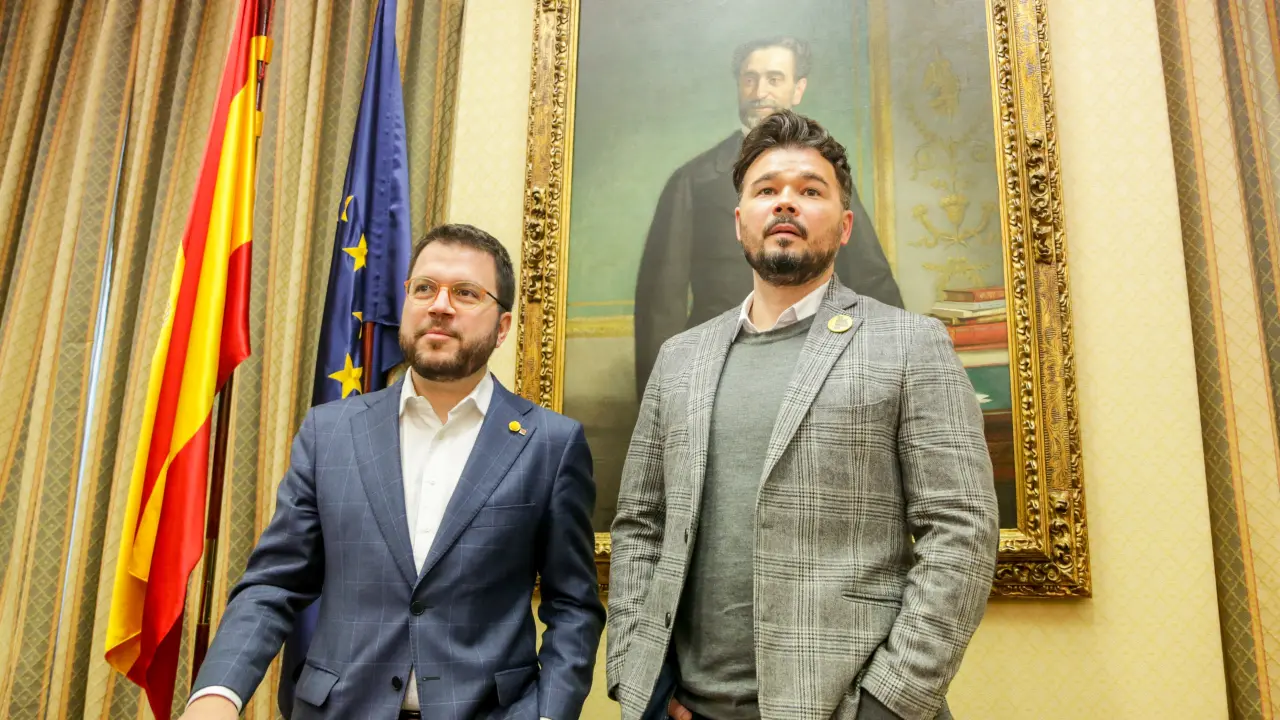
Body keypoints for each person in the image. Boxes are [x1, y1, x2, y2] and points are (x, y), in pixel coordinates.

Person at [607, 111, 999, 720]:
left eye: (811, 191)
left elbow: (962, 532)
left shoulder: (911, 344)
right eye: (766, 189)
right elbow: (640, 526)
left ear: (844, 226)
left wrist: (886, 704)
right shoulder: (679, 358)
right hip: (691, 709)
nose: (786, 202)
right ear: (739, 220)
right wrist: (642, 683)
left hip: (846, 708)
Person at [182, 224, 606, 720]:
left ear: (503, 326)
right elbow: (273, 584)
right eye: (424, 288)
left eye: (466, 293)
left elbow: (574, 607)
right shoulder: (330, 432)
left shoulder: (550, 444)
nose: (440, 305)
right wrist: (217, 694)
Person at [633, 35, 903, 400]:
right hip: (717, 373)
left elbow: (872, 278)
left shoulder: (829, 179)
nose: (760, 91)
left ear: (798, 89)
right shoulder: (693, 180)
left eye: (774, 79)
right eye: (750, 79)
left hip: (823, 369)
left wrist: (898, 376)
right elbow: (660, 306)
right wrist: (660, 401)